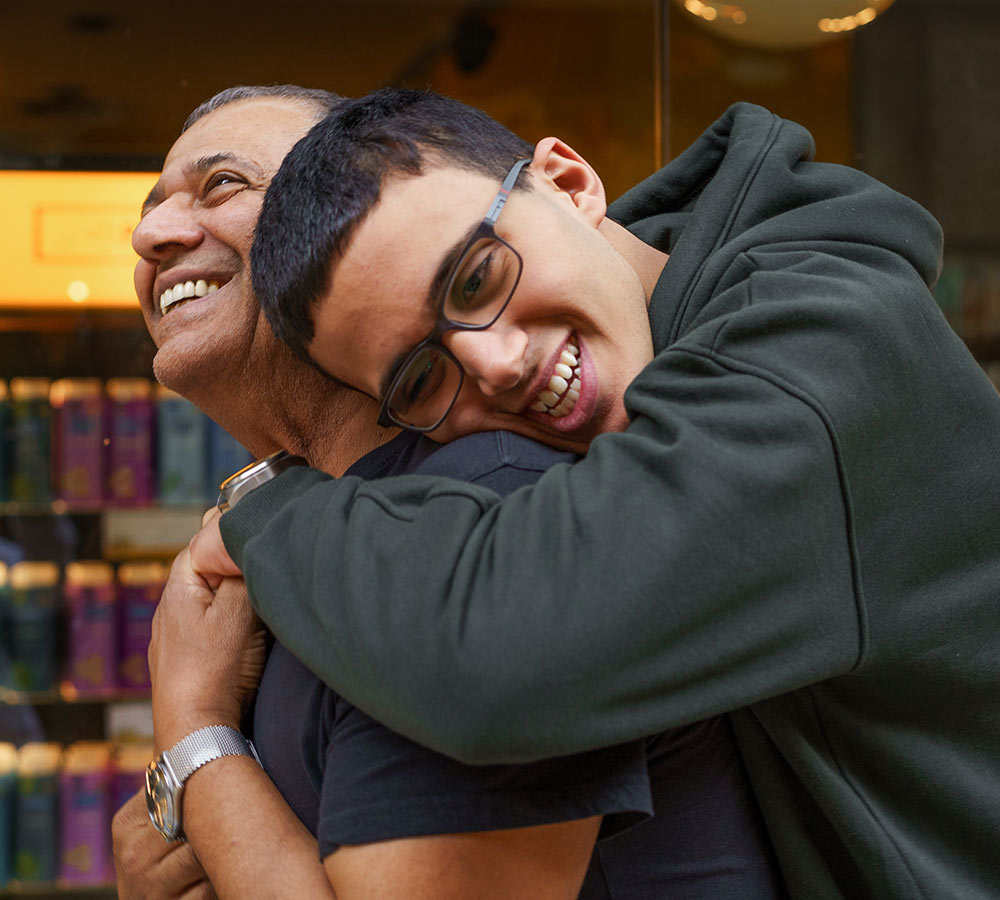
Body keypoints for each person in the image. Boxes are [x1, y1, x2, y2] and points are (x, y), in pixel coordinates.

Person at [187, 87, 1000, 900]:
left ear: (571, 184)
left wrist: (268, 514)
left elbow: (507, 658)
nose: (496, 362)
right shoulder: (652, 339)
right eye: (423, 374)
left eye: (476, 278)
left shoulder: (826, 346)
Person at [115, 84, 785, 900]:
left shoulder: (496, 513)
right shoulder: (310, 532)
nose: (150, 234)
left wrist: (195, 742)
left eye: (224, 185)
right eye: (153, 208)